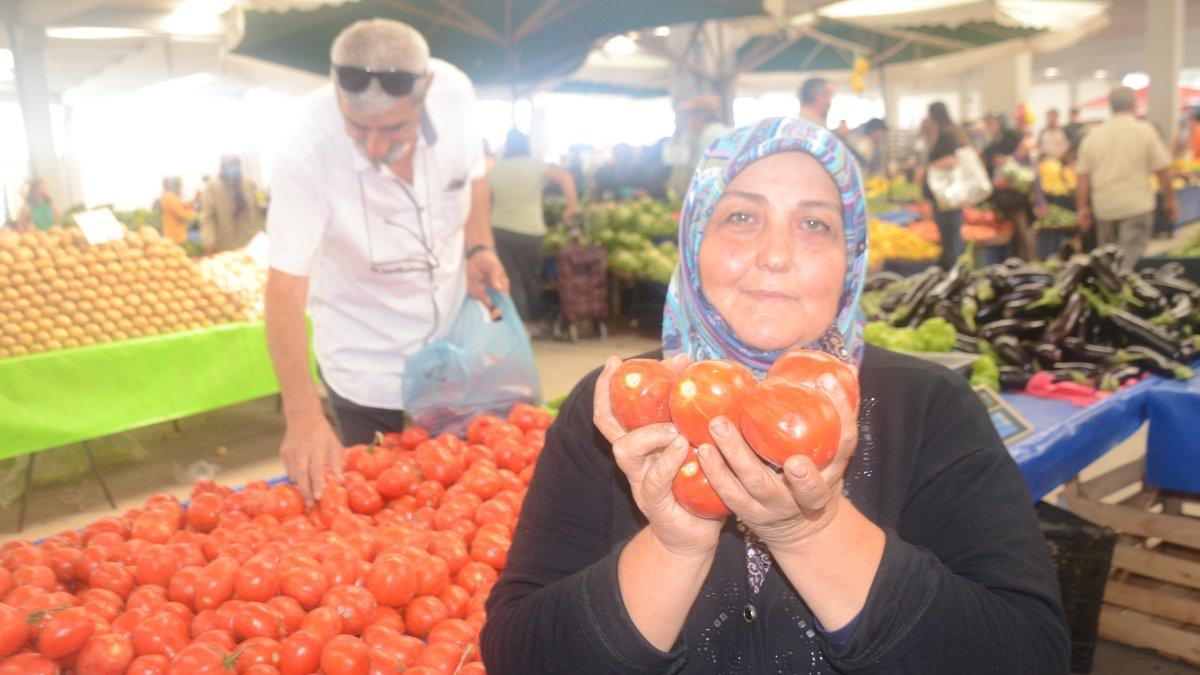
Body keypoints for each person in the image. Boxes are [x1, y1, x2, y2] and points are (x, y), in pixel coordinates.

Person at [481, 117, 1068, 673]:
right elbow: (519, 654)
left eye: (815, 224)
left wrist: (813, 532)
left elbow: (1029, 655)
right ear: (693, 240)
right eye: (740, 217)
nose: (776, 254)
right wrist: (674, 546)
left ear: (852, 257)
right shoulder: (615, 409)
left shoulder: (931, 408)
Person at [265, 18, 508, 503]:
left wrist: (479, 245)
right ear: (335, 94)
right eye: (358, 127)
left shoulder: (457, 95)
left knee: (459, 495)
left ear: (427, 91)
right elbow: (284, 288)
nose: (376, 145)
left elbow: (474, 176)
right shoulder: (303, 149)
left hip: (450, 344)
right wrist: (303, 413)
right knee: (380, 504)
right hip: (363, 355)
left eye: (395, 127)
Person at [488, 129, 581, 328]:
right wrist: (572, 205)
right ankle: (534, 321)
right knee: (531, 277)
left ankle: (520, 323)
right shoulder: (535, 166)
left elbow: (488, 202)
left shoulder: (495, 170)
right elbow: (565, 177)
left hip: (500, 229)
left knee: (512, 278)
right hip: (531, 231)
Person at [1076, 86, 1176, 269]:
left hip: (1104, 207)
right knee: (1130, 261)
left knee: (1108, 261)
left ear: (1110, 106)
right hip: (1136, 205)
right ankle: (1124, 293)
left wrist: (1083, 209)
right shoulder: (1145, 131)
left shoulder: (1093, 135)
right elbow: (1163, 170)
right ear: (1133, 104)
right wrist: (1169, 200)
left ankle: (1110, 292)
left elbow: (1082, 177)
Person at [921, 102, 969, 269]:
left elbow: (951, 161)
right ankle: (950, 268)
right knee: (949, 234)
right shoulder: (944, 133)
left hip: (948, 193)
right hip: (942, 194)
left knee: (951, 234)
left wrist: (927, 168)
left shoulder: (947, 135)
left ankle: (954, 271)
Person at [984, 112, 1036, 260]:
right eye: (987, 124)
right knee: (1008, 231)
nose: (989, 127)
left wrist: (1009, 160)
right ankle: (1014, 261)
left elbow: (1029, 151)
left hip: (1016, 194)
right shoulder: (993, 142)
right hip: (1001, 196)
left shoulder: (1013, 136)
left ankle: (1028, 261)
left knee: (1022, 231)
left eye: (991, 123)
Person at [668, 95, 730, 200]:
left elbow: (704, 178)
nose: (686, 123)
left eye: (687, 118)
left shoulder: (710, 137)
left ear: (699, 117)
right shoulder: (719, 131)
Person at [200, 156, 264, 253]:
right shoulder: (212, 187)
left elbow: (261, 210)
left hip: (251, 244)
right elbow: (207, 217)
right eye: (230, 164)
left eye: (236, 164)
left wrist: (263, 233)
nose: (234, 167)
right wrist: (209, 241)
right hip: (225, 245)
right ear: (223, 165)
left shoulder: (250, 184)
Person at [159, 177, 196, 245]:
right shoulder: (171, 197)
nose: (181, 189)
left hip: (173, 234)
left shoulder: (169, 195)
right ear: (176, 186)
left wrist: (192, 202)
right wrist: (193, 213)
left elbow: (180, 206)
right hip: (175, 236)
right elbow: (182, 215)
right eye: (180, 186)